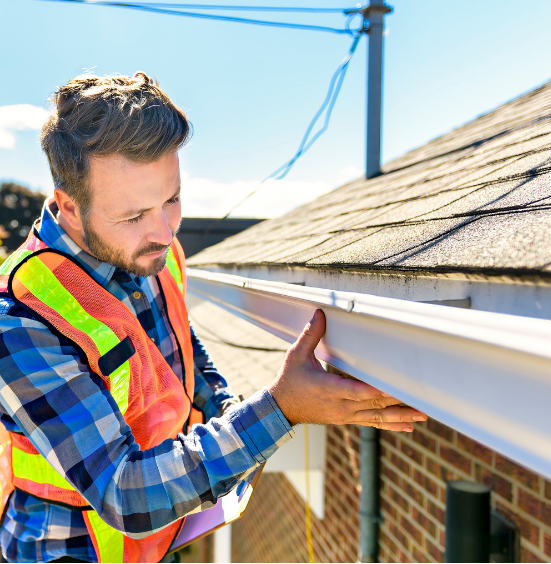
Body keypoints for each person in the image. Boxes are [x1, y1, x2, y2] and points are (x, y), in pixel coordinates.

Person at [0, 72, 424, 563]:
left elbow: (181, 349)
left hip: (162, 540)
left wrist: (227, 409)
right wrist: (279, 411)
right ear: (70, 208)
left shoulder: (155, 251)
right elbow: (124, 493)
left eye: (172, 199)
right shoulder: (21, 319)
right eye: (133, 216)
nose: (163, 230)